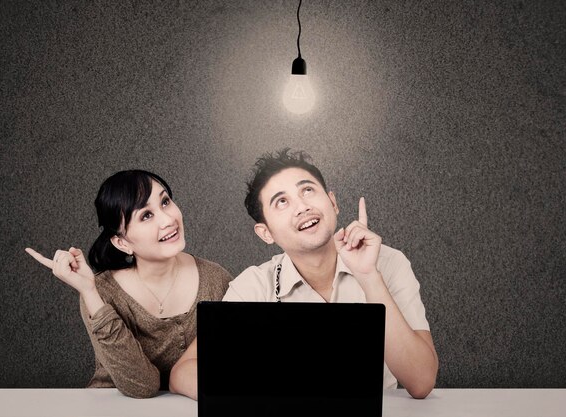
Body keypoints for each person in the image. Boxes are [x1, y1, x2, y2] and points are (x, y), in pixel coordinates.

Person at [222, 149, 439, 399]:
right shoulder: (252, 288)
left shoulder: (389, 263)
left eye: (307, 190)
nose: (302, 207)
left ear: (333, 203)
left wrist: (369, 276)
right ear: (265, 233)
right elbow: (204, 373)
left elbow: (421, 382)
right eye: (282, 201)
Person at [26, 170, 231, 399]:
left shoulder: (216, 279)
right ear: (122, 242)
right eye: (146, 215)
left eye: (165, 202)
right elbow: (142, 386)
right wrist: (89, 292)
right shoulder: (102, 291)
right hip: (116, 408)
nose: (168, 220)